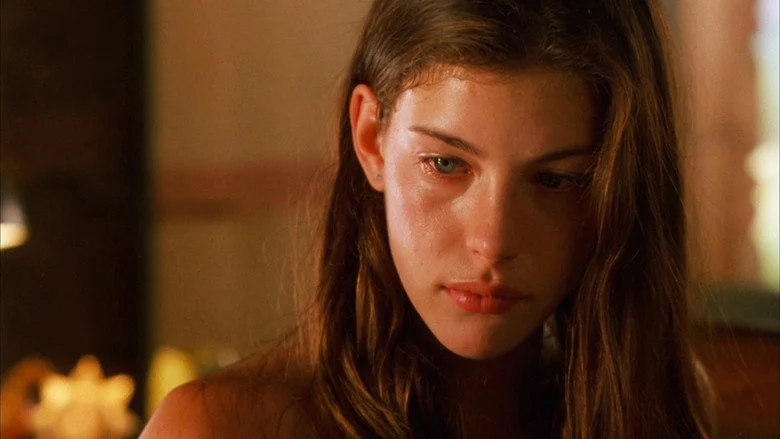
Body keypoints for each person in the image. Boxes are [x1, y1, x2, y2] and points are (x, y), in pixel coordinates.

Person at [141, 0, 714, 437]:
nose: (492, 241)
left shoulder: (656, 408)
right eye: (445, 164)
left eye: (555, 180)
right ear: (371, 138)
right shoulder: (220, 427)